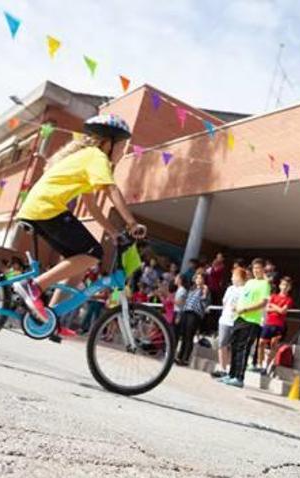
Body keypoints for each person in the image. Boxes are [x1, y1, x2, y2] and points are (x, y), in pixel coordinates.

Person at [11, 114, 146, 325]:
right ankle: (35, 286)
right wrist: (131, 222)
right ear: (108, 143)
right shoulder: (96, 157)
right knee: (93, 253)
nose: (123, 151)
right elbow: (111, 189)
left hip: (40, 209)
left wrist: (113, 232)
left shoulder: (88, 160)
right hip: (47, 208)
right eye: (122, 146)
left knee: (80, 263)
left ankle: (51, 318)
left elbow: (92, 207)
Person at [223, 259, 271, 388]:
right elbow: (243, 297)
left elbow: (263, 303)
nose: (256, 271)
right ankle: (231, 374)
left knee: (243, 349)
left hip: (251, 321)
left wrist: (246, 309)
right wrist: (237, 308)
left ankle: (239, 378)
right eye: (254, 268)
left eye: (259, 268)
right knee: (234, 346)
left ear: (263, 270)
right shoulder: (249, 282)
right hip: (239, 317)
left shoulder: (265, 284)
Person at [212, 267, 246, 378]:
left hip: (236, 320)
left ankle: (230, 369)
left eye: (234, 276)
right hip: (225, 319)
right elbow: (224, 302)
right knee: (222, 343)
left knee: (232, 346)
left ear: (240, 277)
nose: (232, 278)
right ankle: (223, 368)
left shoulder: (245, 290)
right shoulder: (230, 288)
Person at [257, 277, 293, 371]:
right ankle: (260, 364)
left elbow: (283, 311)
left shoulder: (288, 299)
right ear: (280, 285)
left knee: (274, 344)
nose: (284, 287)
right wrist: (277, 309)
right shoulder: (273, 296)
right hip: (269, 322)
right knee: (261, 342)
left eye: (287, 285)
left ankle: (267, 365)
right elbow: (267, 309)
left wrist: (274, 306)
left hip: (279, 325)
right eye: (283, 285)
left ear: (289, 288)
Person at [176, 272, 209, 365]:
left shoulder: (204, 289)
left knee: (189, 336)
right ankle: (179, 356)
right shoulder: (192, 289)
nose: (198, 280)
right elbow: (186, 301)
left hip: (195, 314)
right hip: (186, 311)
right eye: (197, 278)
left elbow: (205, 301)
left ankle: (185, 358)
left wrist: (205, 292)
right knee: (184, 335)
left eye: (201, 278)